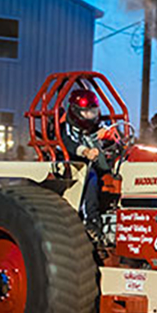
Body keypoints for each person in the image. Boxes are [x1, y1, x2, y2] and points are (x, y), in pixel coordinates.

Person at [61, 89, 119, 238]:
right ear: (76, 111)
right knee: (90, 176)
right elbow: (69, 144)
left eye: (93, 112)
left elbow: (112, 132)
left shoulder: (97, 124)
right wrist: (86, 151)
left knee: (114, 174)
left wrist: (108, 134)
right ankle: (91, 220)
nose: (91, 116)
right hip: (73, 163)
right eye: (87, 113)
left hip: (96, 162)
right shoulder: (66, 127)